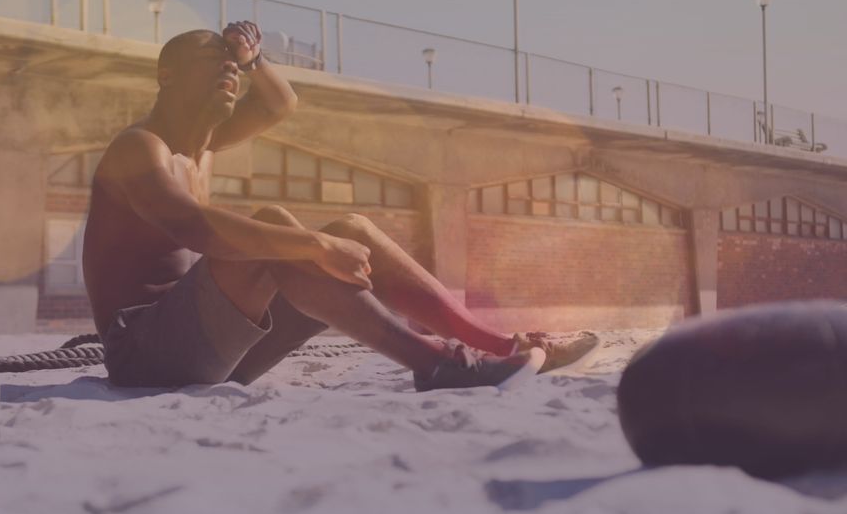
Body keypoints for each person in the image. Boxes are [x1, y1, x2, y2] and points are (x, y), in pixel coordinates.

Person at [83, 21, 598, 391]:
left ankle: (497, 344)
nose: (228, 69)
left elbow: (282, 103)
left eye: (232, 64)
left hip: (214, 349)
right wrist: (314, 243)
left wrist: (255, 59)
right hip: (144, 355)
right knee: (276, 230)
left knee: (352, 227)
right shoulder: (139, 147)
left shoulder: (202, 148)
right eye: (211, 60)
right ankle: (435, 364)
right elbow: (195, 227)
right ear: (167, 75)